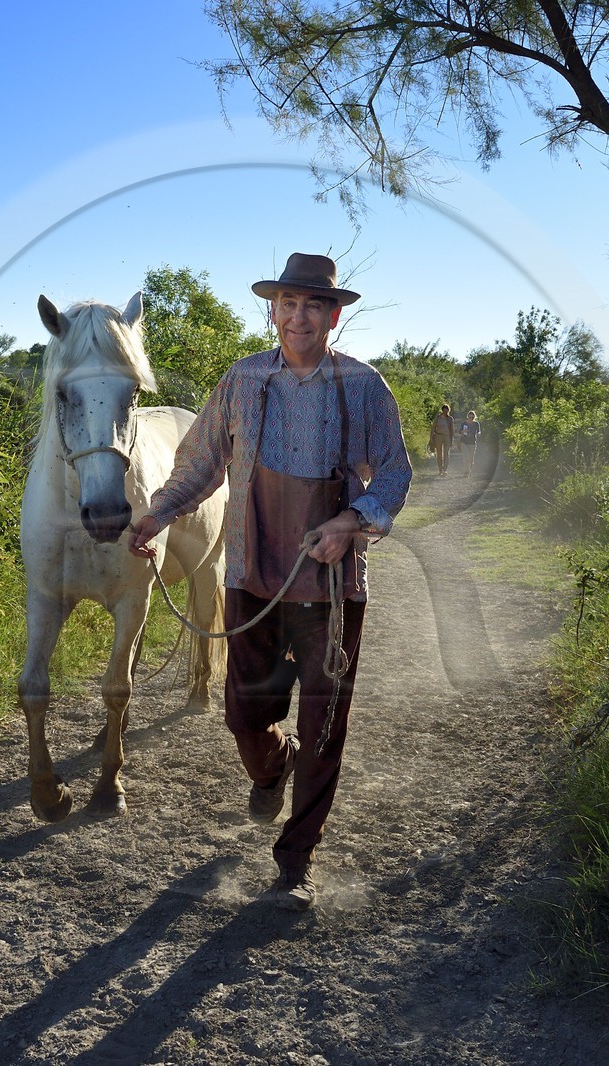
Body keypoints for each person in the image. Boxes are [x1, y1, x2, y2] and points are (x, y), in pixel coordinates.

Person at [127, 252, 412, 911]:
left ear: (335, 315)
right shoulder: (243, 380)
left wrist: (352, 520)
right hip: (252, 578)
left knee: (322, 725)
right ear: (273, 310)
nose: (299, 316)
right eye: (288, 303)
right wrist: (157, 514)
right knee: (244, 716)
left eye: (313, 305)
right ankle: (270, 764)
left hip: (333, 591)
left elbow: (394, 476)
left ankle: (295, 865)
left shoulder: (364, 388)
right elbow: (199, 463)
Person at [429, 403, 455, 475]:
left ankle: (445, 470)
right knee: (439, 454)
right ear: (442, 410)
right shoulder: (437, 418)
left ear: (448, 411)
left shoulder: (450, 419)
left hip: (447, 437)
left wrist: (452, 440)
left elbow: (452, 430)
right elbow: (433, 427)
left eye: (447, 410)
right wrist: (431, 438)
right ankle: (440, 469)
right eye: (444, 410)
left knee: (446, 454)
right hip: (438, 436)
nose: (445, 412)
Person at [457, 410, 480, 476]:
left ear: (474, 417)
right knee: (466, 456)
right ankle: (466, 472)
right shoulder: (464, 423)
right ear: (468, 417)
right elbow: (459, 432)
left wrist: (478, 434)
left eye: (472, 417)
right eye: (470, 417)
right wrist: (463, 431)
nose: (471, 418)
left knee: (471, 458)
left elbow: (478, 431)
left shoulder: (476, 424)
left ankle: (470, 471)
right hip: (464, 441)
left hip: (472, 442)